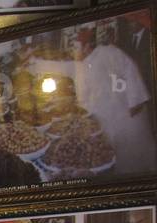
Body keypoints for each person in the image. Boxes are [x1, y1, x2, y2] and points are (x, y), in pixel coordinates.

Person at [30, 26, 155, 175]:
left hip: (126, 119)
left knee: (135, 163)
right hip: (103, 122)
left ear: (88, 46)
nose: (73, 50)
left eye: (76, 46)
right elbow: (62, 68)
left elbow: (130, 71)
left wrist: (135, 101)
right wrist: (34, 63)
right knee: (108, 159)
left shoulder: (108, 52)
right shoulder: (80, 63)